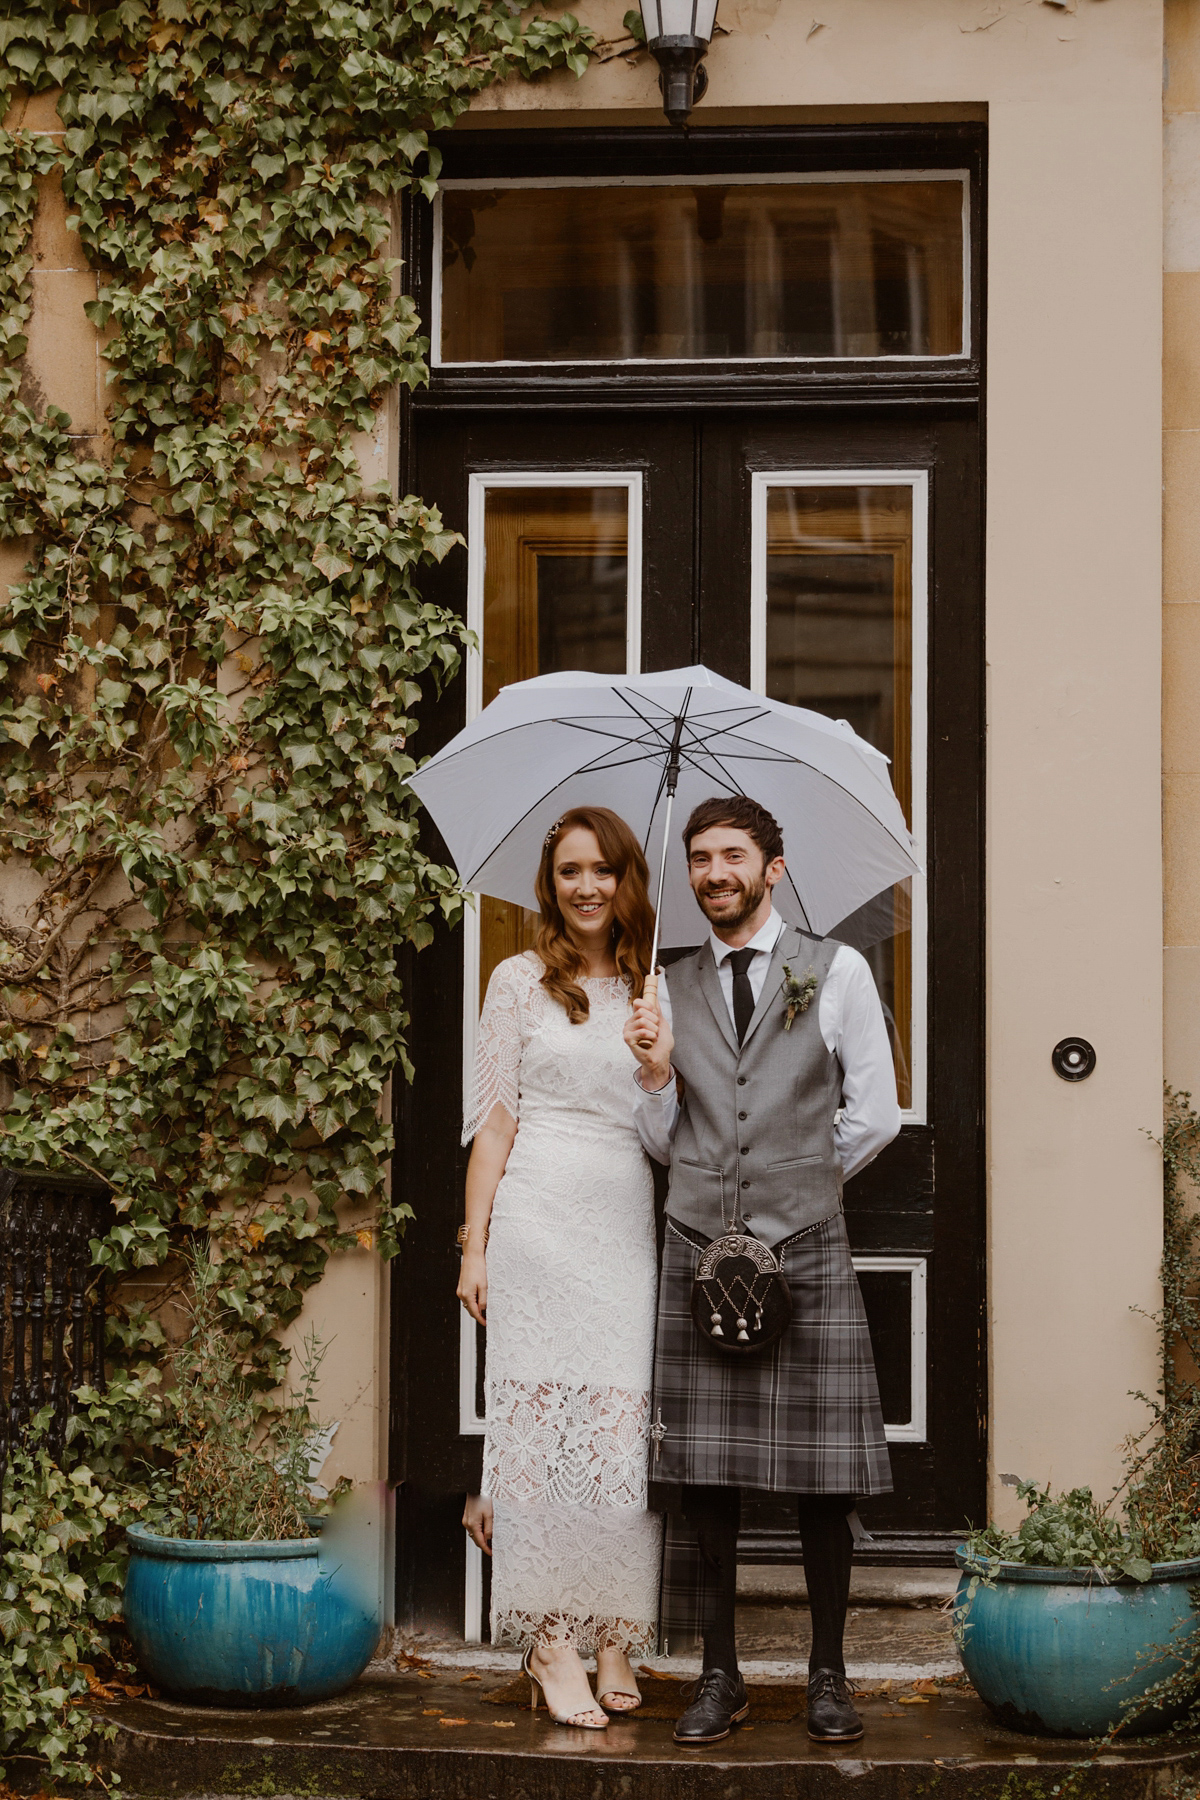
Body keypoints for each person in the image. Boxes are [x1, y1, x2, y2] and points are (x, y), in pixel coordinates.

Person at [623, 795, 900, 1748]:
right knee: (707, 1479)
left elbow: (878, 1115)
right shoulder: (665, 985)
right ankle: (719, 1675)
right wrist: (655, 1074)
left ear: (772, 868)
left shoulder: (836, 968)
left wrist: (799, 1179)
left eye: (732, 855)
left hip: (805, 1244)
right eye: (699, 857)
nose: (713, 872)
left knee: (824, 1483)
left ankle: (828, 1673)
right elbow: (658, 1140)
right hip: (699, 1249)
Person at [457, 806, 663, 1730]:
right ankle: (550, 1639)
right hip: (537, 1217)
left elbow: (673, 1127)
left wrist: (659, 1059)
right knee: (537, 1434)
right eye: (571, 871)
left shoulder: (655, 989)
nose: (587, 887)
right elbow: (494, 1124)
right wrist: (475, 1243)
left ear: (626, 881)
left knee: (618, 1429)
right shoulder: (516, 982)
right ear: (553, 883)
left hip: (622, 1218)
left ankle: (615, 1625)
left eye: (603, 870)